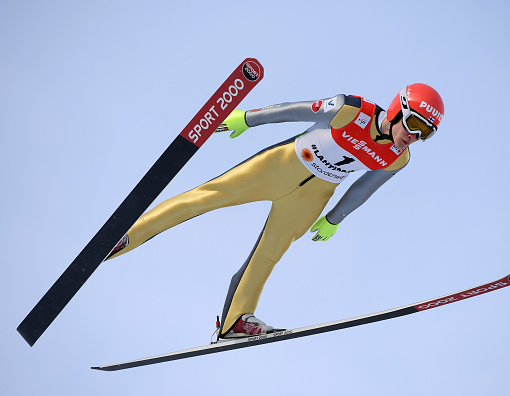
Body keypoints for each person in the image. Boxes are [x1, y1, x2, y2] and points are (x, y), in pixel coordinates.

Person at [106, 83, 445, 340]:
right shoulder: (352, 110)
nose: (414, 136)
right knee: (205, 198)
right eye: (415, 123)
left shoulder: (398, 158)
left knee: (269, 255)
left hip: (313, 196)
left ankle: (235, 322)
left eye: (426, 133)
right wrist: (247, 119)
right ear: (398, 109)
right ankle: (126, 237)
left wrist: (334, 218)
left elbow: (365, 187)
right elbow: (294, 111)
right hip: (280, 166)